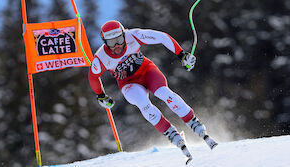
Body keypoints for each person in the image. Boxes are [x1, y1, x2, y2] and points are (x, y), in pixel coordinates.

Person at [88, 20, 217, 164]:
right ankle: (170, 133)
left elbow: (162, 37)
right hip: (128, 84)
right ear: (105, 42)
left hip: (148, 71)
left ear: (124, 35)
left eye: (119, 39)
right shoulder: (101, 57)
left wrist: (181, 55)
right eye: (111, 42)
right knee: (143, 103)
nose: (117, 45)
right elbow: (93, 77)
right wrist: (101, 95)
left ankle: (193, 122)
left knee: (164, 93)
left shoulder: (134, 35)